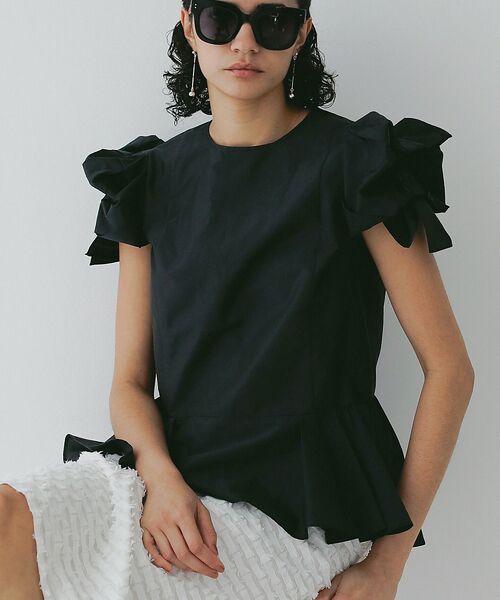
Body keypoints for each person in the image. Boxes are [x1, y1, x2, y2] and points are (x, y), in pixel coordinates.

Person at [0, 1, 474, 599]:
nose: (244, 42)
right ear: (189, 25)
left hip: (307, 504)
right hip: (172, 479)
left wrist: (387, 565)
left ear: (301, 34)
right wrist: (160, 479)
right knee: (6, 519)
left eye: (272, 22)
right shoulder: (149, 180)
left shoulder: (360, 165)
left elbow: (451, 371)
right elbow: (128, 384)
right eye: (221, 20)